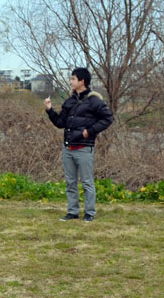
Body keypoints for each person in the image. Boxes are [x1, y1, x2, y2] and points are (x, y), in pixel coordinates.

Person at [44, 68, 114, 221]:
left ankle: (89, 213)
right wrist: (49, 110)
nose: (70, 81)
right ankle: (72, 212)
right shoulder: (69, 101)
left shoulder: (94, 100)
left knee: (87, 182)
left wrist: (89, 132)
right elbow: (60, 123)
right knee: (70, 182)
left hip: (84, 148)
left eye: (73, 79)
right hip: (68, 148)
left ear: (82, 81)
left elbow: (108, 118)